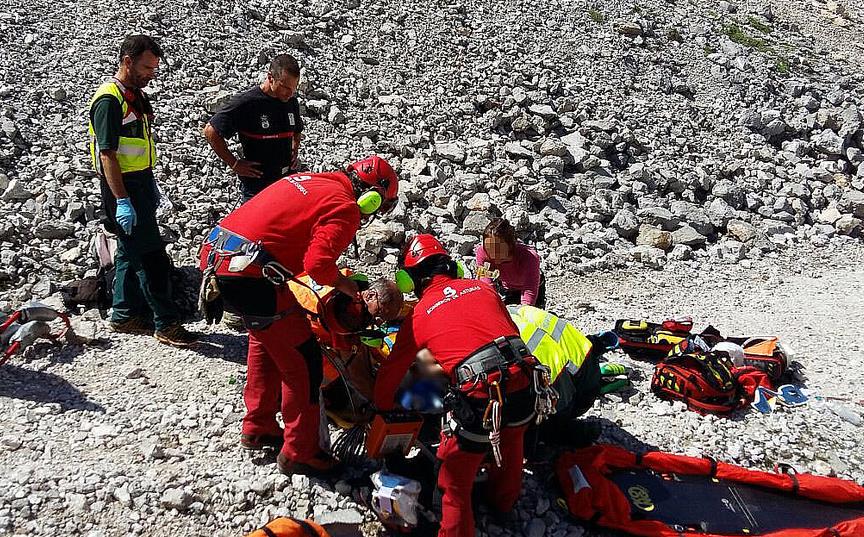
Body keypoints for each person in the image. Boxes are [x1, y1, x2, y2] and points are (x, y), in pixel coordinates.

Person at [198, 156, 399, 477]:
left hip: (220, 256)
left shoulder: (311, 180)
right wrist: (347, 286)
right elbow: (318, 265)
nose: (371, 215)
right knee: (304, 362)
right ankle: (301, 452)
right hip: (249, 274)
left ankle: (258, 425)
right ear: (371, 197)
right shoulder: (344, 207)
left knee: (265, 338)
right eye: (377, 208)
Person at [373, 234, 550, 537]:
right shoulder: (483, 288)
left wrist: (381, 407)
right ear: (451, 266)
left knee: (453, 482)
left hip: (481, 394)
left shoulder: (418, 316)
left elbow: (391, 374)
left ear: (409, 280)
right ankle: (503, 506)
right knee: (511, 442)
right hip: (527, 381)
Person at [87, 35, 197, 347]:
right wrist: (122, 200)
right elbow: (107, 155)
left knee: (127, 251)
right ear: (127, 62)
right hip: (124, 188)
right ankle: (166, 323)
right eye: (147, 67)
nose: (152, 73)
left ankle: (123, 314)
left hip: (140, 182)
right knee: (151, 257)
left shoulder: (134, 95)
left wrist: (148, 183)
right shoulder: (109, 101)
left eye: (154, 68)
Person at [203, 54, 305, 203]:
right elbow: (210, 130)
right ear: (270, 77)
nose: (289, 93)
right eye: (285, 87)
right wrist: (234, 164)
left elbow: (297, 130)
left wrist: (294, 150)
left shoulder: (291, 102)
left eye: (293, 89)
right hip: (257, 186)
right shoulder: (247, 103)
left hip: (286, 180)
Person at [474, 218, 545, 308]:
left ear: (510, 244)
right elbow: (486, 282)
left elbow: (529, 288)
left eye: (498, 248)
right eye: (489, 249)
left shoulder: (529, 257)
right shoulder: (482, 252)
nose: (493, 254)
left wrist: (525, 310)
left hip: (533, 286)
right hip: (507, 287)